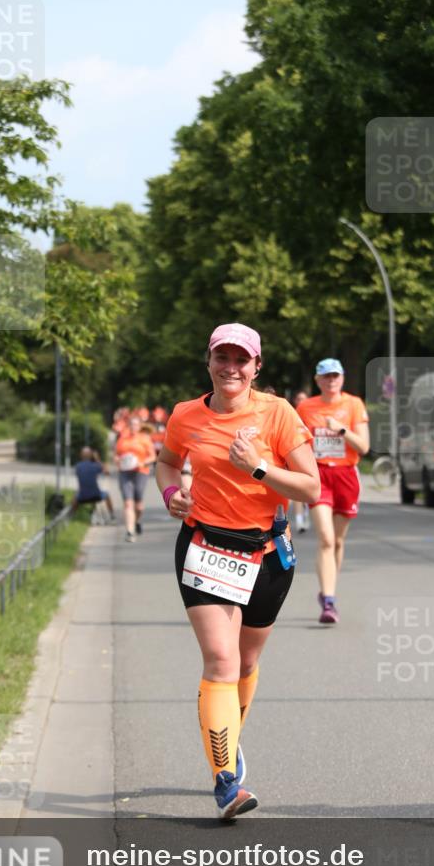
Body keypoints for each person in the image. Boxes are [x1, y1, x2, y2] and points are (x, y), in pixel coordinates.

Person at [156, 323, 319, 820]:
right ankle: (226, 782)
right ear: (208, 360)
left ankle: (227, 736)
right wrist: (171, 495)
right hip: (205, 547)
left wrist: (258, 468)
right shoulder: (186, 415)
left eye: (241, 360)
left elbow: (310, 488)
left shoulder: (277, 414)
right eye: (221, 357)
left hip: (267, 554)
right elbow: (166, 463)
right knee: (221, 662)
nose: (231, 368)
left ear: (256, 367)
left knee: (246, 665)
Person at [296, 359, 370, 624]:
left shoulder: (353, 404)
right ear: (318, 381)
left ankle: (329, 589)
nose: (331, 380)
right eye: (326, 376)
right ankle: (328, 601)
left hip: (346, 475)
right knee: (326, 539)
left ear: (342, 379)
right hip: (319, 475)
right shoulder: (306, 407)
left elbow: (363, 447)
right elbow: (296, 441)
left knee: (338, 541)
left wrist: (341, 430)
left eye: (335, 376)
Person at [115, 415, 157, 542]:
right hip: (125, 473)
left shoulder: (144, 439)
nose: (133, 427)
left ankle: (136, 521)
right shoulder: (122, 438)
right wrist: (118, 460)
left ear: (139, 426)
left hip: (141, 472)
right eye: (131, 424)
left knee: (139, 506)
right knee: (128, 503)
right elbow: (116, 455)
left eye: (135, 424)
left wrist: (142, 463)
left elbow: (153, 457)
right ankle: (130, 532)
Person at [71, 447, 116, 520]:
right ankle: (112, 515)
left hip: (82, 497)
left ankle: (72, 515)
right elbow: (107, 472)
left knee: (75, 495)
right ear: (91, 456)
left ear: (81, 455)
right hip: (96, 495)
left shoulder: (78, 466)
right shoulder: (95, 466)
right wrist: (97, 459)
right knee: (107, 495)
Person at [290, 390, 310, 534]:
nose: (301, 401)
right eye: (299, 399)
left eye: (304, 399)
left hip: (311, 455)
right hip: (296, 455)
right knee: (297, 490)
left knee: (308, 490)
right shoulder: (291, 414)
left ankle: (307, 514)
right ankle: (299, 520)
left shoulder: (312, 412)